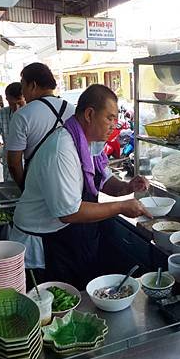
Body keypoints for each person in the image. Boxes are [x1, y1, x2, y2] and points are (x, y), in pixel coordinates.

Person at [13, 84, 151, 289]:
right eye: (110, 118)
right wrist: (122, 206)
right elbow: (69, 212)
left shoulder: (89, 143)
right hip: (44, 244)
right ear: (89, 114)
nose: (115, 124)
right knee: (54, 309)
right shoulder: (62, 149)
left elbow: (103, 181)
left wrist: (127, 187)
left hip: (66, 237)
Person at [6, 62, 76, 190]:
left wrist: (25, 189)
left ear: (32, 85)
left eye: (23, 86)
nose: (23, 92)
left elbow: (13, 163)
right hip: (71, 182)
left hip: (38, 185)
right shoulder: (73, 111)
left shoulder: (22, 115)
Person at [0, 82, 25, 181]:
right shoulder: (1, 115)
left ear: (25, 97)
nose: (16, 108)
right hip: (11, 170)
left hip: (32, 168)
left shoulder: (34, 114)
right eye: (12, 104)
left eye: (19, 102)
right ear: (7, 99)